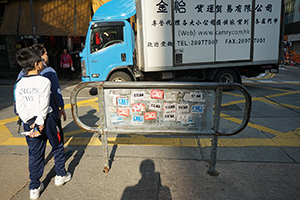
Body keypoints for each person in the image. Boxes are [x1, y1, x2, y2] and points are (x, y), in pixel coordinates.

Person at [15, 48, 71, 199]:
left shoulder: (20, 83)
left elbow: (20, 107)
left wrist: (30, 122)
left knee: (34, 153)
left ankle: (34, 187)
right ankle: (60, 175)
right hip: (48, 119)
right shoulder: (44, 81)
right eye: (41, 61)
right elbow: (44, 104)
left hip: (29, 122)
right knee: (57, 146)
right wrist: (40, 122)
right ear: (36, 64)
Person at [17, 44, 72, 155]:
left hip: (29, 116)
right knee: (56, 138)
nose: (47, 56)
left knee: (35, 146)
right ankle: (60, 155)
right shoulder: (50, 71)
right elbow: (56, 92)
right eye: (46, 54)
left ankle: (37, 163)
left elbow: (18, 97)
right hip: (49, 112)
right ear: (40, 57)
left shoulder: (22, 74)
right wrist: (61, 106)